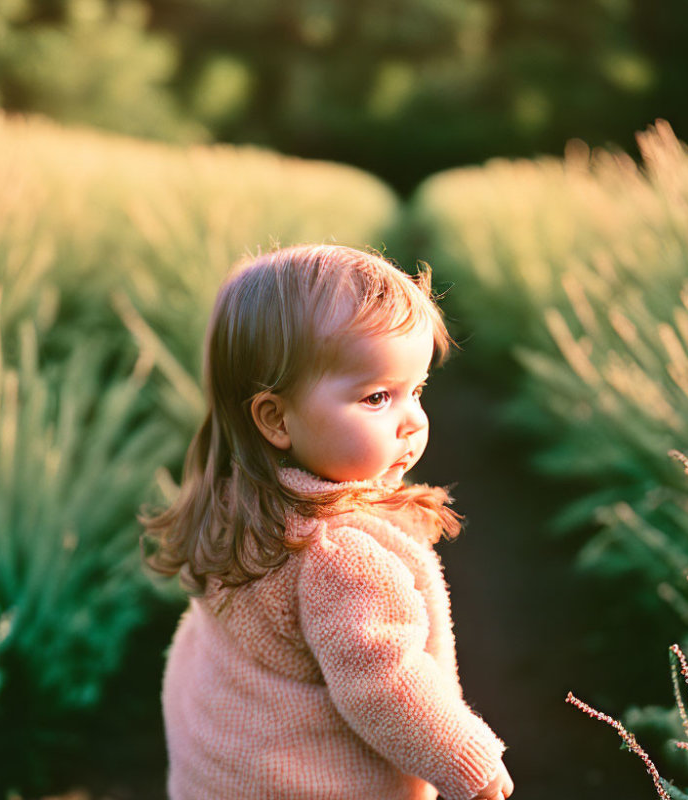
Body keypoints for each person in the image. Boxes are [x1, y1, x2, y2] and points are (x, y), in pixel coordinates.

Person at [143, 244, 513, 800]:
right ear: (276, 418)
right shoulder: (340, 558)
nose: (412, 420)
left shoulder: (239, 504)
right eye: (377, 397)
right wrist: (473, 768)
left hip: (225, 775)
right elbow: (388, 686)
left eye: (417, 391)